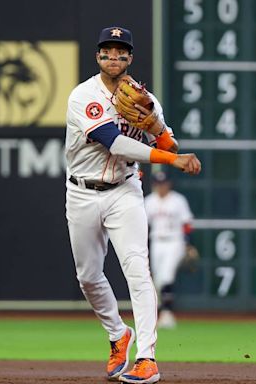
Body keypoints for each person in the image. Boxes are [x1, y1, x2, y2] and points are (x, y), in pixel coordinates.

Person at [65, 26, 201, 384]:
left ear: (130, 58)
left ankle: (147, 357)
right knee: (88, 277)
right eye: (107, 52)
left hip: (125, 191)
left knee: (137, 270)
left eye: (120, 52)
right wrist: (173, 161)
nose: (114, 58)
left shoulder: (146, 98)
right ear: (98, 57)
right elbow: (115, 144)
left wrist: (157, 125)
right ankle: (117, 334)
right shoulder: (83, 96)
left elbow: (168, 141)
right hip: (82, 192)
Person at [144, 171, 194, 329]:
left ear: (169, 184)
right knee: (158, 281)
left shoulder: (178, 200)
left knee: (166, 276)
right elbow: (143, 225)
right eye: (158, 184)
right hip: (157, 241)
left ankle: (167, 314)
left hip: (175, 241)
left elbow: (186, 223)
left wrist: (187, 244)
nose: (161, 186)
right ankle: (162, 313)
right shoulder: (149, 201)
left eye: (163, 183)